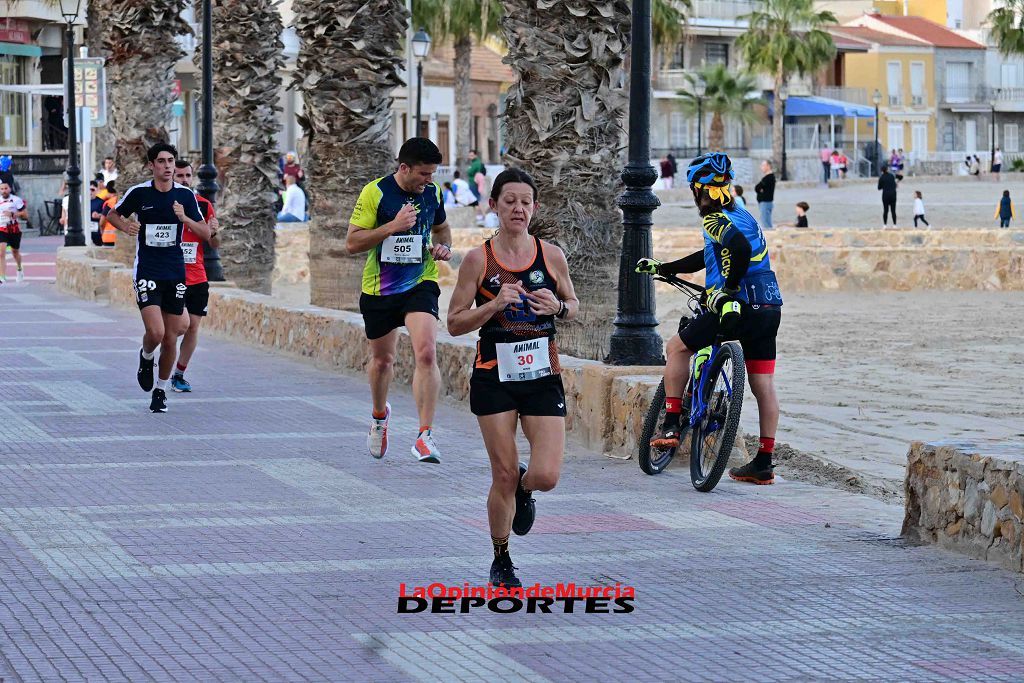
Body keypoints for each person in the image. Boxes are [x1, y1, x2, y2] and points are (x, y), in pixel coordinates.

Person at [447, 168, 579, 589]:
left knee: (547, 476)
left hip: (542, 373)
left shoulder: (550, 255)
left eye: (525, 201)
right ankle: (501, 558)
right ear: (494, 206)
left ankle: (524, 488)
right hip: (494, 376)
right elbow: (453, 323)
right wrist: (491, 306)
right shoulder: (477, 260)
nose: (518, 208)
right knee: (500, 474)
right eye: (509, 201)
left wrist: (556, 307)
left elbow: (575, 304)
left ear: (534, 207)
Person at [636, 152, 783, 485]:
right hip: (769, 306)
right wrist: (666, 267)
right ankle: (763, 462)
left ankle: (672, 421)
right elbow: (711, 255)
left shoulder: (714, 218)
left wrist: (727, 290)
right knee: (764, 385)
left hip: (738, 305)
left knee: (677, 348)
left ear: (697, 189)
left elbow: (739, 251)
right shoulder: (742, 215)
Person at [345, 137, 452, 463]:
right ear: (404, 168)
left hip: (421, 281)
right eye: (422, 174)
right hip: (380, 289)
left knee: (426, 352)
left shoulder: (433, 193)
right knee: (382, 361)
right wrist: (393, 226)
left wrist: (444, 247)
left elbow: (442, 229)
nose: (428, 181)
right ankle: (379, 417)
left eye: (432, 174)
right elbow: (352, 242)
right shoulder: (375, 192)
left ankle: (424, 435)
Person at [104, 142, 210, 413]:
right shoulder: (139, 193)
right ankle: (146, 356)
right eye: (161, 161)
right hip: (148, 270)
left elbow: (206, 233)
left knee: (172, 336)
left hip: (175, 271)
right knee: (157, 332)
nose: (167, 166)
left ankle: (160, 391)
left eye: (171, 161)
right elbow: (112, 214)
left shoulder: (186, 196)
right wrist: (125, 225)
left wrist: (184, 218)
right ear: (151, 165)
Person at [171, 159, 221, 392]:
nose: (184, 180)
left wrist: (215, 231)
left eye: (187, 176)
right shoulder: (165, 203)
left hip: (197, 276)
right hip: (170, 276)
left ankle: (179, 374)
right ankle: (157, 359)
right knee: (177, 327)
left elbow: (215, 243)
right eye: (179, 176)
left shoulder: (203, 205)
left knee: (192, 327)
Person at [0, 182, 28, 284]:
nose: (3, 191)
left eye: (5, 188)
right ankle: (2, 277)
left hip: (13, 229)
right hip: (2, 228)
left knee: (15, 252)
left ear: (10, 189)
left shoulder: (16, 200)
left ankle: (20, 269)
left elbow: (25, 215)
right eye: (1, 189)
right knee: (1, 252)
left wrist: (13, 214)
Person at [754, 160, 776, 229]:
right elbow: (757, 188)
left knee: (766, 224)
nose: (761, 167)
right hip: (764, 203)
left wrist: (760, 189)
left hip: (765, 203)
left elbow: (758, 187)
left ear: (768, 166)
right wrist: (760, 189)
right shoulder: (766, 177)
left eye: (763, 165)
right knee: (766, 223)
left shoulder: (769, 177)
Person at [88, 181, 105, 246]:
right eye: (88, 189)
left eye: (92, 190)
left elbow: (105, 215)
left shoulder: (101, 202)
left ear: (97, 190)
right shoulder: (82, 202)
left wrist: (98, 215)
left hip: (96, 231)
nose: (90, 192)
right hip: (84, 230)